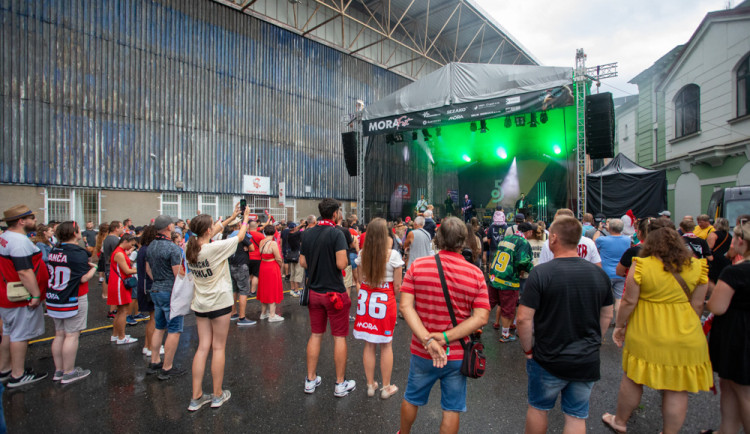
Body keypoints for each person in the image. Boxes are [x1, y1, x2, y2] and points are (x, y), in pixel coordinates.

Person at [603, 219, 712, 434]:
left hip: (647, 329)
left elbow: (628, 301)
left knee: (634, 378)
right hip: (686, 331)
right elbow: (698, 304)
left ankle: (620, 422)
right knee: (677, 388)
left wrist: (620, 326)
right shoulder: (698, 266)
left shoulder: (642, 265)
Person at [517, 216, 613, 434]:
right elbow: (607, 313)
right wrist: (595, 340)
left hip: (547, 357)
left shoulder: (541, 273)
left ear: (554, 239)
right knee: (576, 416)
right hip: (586, 358)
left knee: (539, 409)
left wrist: (528, 349)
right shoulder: (599, 274)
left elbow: (523, 318)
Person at [398, 217, 490, 434]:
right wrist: (446, 337)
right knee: (451, 409)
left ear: (437, 239)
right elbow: (481, 317)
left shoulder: (418, 266)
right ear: (463, 241)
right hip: (457, 354)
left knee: (411, 398)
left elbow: (405, 307)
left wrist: (428, 339)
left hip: (422, 350)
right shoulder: (475, 274)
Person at [186, 206, 250, 411]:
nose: (214, 226)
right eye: (212, 224)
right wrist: (245, 219)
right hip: (220, 302)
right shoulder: (214, 248)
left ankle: (196, 397)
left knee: (203, 347)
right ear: (207, 231)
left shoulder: (191, 248)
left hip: (201, 303)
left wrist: (231, 217)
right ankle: (217, 394)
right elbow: (240, 236)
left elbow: (210, 232)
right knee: (218, 347)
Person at [300, 199, 355, 397]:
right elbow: (341, 264)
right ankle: (340, 384)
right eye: (339, 211)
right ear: (334, 214)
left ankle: (310, 379)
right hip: (334, 294)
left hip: (314, 292)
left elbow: (302, 262)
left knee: (315, 334)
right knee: (339, 336)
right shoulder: (336, 233)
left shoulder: (307, 233)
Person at [704, 220, 750, 434]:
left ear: (741, 241)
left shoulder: (736, 272)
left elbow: (717, 306)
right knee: (731, 387)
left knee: (742, 390)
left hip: (738, 334)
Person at [352, 218, 403, 399]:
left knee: (369, 344)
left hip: (366, 303)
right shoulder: (394, 256)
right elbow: (397, 287)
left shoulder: (363, 254)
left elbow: (359, 278)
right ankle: (386, 387)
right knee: (386, 345)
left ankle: (370, 385)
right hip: (385, 302)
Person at [0, 205, 49, 387]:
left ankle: (5, 369)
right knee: (19, 335)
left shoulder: (4, 237)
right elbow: (24, 271)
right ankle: (18, 375)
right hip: (20, 296)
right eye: (31, 218)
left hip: (7, 295)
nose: (35, 221)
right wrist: (35, 295)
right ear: (21, 221)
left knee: (8, 333)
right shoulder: (19, 242)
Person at [46, 221, 98, 384]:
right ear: (75, 233)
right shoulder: (78, 252)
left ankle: (59, 370)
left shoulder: (55, 250)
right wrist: (93, 269)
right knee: (72, 335)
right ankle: (69, 371)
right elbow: (83, 278)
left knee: (59, 333)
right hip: (73, 296)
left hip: (55, 295)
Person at [146, 215, 187, 381]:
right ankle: (167, 367)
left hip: (156, 288)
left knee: (159, 327)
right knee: (174, 329)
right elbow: (178, 274)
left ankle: (154, 361)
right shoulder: (172, 248)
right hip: (170, 291)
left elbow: (148, 269)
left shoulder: (151, 246)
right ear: (170, 227)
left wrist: (158, 279)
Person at [488, 221, 534, 341]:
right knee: (508, 308)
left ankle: (477, 327)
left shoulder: (506, 238)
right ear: (529, 232)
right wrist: (532, 269)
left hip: (495, 276)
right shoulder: (523, 242)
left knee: (489, 303)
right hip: (508, 280)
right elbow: (522, 262)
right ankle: (505, 334)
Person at [595, 218, 631, 321]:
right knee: (619, 299)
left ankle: (605, 319)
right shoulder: (627, 240)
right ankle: (618, 321)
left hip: (606, 273)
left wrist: (599, 229)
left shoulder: (602, 240)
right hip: (621, 273)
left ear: (609, 228)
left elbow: (594, 241)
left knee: (605, 299)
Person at [136, 225, 163, 357]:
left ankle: (148, 345)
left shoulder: (143, 249)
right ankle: (152, 347)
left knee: (152, 318)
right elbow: (149, 269)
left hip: (144, 285)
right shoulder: (149, 250)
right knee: (154, 319)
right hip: (149, 286)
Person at [108, 234, 138, 345]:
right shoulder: (119, 253)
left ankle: (116, 335)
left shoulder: (119, 251)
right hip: (119, 284)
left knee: (120, 311)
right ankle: (121, 337)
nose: (131, 247)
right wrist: (138, 270)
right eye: (131, 244)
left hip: (118, 283)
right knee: (123, 311)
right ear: (125, 241)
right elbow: (127, 270)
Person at [226, 219, 255, 325]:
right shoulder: (241, 235)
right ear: (239, 224)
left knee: (234, 290)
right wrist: (247, 247)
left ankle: (233, 313)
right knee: (243, 291)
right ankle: (242, 318)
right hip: (241, 265)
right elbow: (252, 248)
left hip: (231, 264)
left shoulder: (228, 236)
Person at [258, 224, 285, 322]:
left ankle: (264, 313)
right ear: (274, 232)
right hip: (272, 266)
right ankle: (272, 315)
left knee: (264, 289)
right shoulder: (273, 243)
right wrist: (281, 264)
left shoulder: (262, 241)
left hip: (263, 266)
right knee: (272, 289)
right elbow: (278, 257)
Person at [103, 221, 124, 319]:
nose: (122, 228)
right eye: (121, 227)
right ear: (116, 228)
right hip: (113, 268)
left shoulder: (108, 238)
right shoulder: (114, 240)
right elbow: (119, 254)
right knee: (116, 292)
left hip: (109, 267)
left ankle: (113, 310)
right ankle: (113, 311)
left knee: (114, 292)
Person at [707, 217, 732, 290]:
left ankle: (713, 295)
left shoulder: (713, 234)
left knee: (711, 279)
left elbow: (709, 248)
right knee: (722, 279)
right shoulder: (729, 235)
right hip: (725, 259)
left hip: (714, 259)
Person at [286, 223, 304, 297]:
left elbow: (297, 229)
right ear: (294, 228)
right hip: (298, 255)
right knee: (298, 273)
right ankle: (296, 290)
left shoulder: (289, 235)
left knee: (292, 273)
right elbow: (301, 231)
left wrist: (301, 224)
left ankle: (292, 289)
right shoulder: (296, 234)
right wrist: (302, 224)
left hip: (292, 254)